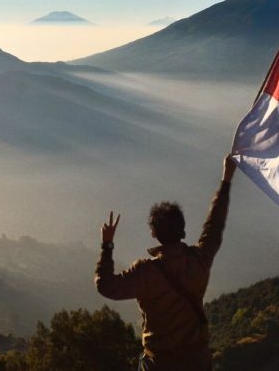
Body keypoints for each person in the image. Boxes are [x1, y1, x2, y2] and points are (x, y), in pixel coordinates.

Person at [95, 154, 236, 371]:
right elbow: (214, 225)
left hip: (160, 364)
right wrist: (226, 180)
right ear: (182, 229)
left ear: (154, 233)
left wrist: (107, 245)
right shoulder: (199, 259)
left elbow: (106, 286)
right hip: (197, 361)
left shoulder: (145, 273)